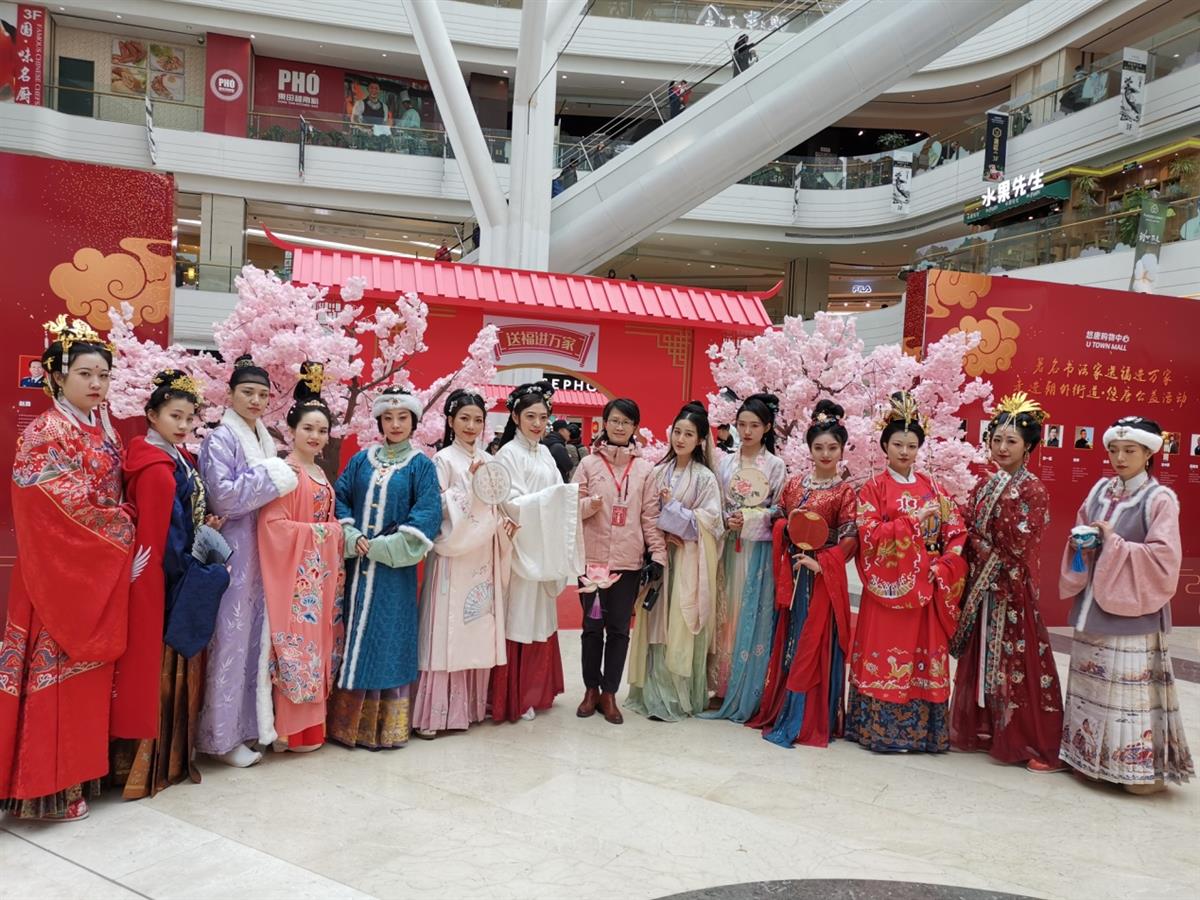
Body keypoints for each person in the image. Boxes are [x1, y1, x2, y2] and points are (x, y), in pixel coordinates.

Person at [0, 318, 133, 821]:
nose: (96, 383)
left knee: (86, 683)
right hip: (55, 570)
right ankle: (44, 789)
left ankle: (78, 777)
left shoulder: (103, 429)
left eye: (103, 375)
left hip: (95, 568)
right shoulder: (45, 431)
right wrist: (122, 523)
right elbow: (48, 503)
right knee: (50, 677)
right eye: (85, 374)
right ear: (57, 376)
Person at [1058, 415, 1194, 792]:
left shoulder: (1158, 499)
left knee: (1127, 696)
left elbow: (1164, 558)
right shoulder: (1100, 491)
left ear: (1148, 453)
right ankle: (1087, 760)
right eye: (1114, 450)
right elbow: (1084, 525)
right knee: (1089, 690)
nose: (1119, 458)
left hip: (1133, 613)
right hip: (1092, 605)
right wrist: (1082, 541)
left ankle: (1134, 773)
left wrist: (1112, 543)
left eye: (1129, 450)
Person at [113, 370, 230, 799]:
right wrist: (188, 573)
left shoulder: (176, 457)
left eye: (189, 418)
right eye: (174, 416)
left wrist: (204, 527)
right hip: (167, 579)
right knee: (160, 669)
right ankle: (151, 761)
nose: (183, 425)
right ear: (151, 415)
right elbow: (163, 537)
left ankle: (166, 758)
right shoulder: (157, 468)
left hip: (175, 569)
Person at [846, 391, 967, 753]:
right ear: (884, 446)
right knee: (886, 652)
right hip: (888, 587)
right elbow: (868, 535)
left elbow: (956, 532)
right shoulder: (873, 488)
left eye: (911, 445)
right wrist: (913, 522)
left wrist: (944, 565)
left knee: (921, 655)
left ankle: (923, 733)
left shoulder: (934, 487)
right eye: (897, 444)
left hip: (926, 584)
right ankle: (878, 731)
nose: (904, 451)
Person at [949, 393, 1063, 771]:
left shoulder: (1033, 489)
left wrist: (978, 539)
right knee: (983, 654)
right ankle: (986, 727)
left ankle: (1027, 737)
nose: (1001, 447)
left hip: (1012, 587)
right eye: (996, 439)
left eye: (1011, 441)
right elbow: (967, 521)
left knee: (1016, 661)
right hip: (984, 584)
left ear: (1028, 446)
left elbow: (1018, 543)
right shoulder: (986, 483)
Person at [195, 355, 298, 768]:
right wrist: (273, 475)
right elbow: (223, 497)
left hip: (263, 552)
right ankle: (220, 739)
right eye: (247, 392)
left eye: (262, 394)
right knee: (231, 643)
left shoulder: (263, 438)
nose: (256, 401)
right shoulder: (220, 439)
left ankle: (249, 727)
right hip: (236, 552)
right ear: (230, 394)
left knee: (256, 641)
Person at [331, 387, 441, 749]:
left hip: (394, 575)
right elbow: (340, 498)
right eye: (388, 418)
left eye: (403, 418)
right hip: (356, 571)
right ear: (379, 421)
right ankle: (345, 727)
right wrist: (351, 535)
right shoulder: (361, 461)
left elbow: (427, 515)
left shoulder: (421, 466)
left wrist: (381, 547)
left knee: (388, 638)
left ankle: (384, 729)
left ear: (414, 421)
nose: (395, 424)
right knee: (353, 635)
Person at [753, 401, 858, 748]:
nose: (825, 454)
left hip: (823, 576)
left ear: (841, 450)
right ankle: (787, 708)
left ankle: (811, 717)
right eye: (819, 447)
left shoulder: (845, 491)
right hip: (794, 570)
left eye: (832, 448)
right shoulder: (795, 483)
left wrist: (823, 562)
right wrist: (786, 526)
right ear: (809, 449)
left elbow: (850, 537)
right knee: (792, 640)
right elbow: (778, 516)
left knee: (816, 641)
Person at [412, 390, 511, 738]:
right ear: (451, 421)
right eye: (464, 418)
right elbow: (435, 507)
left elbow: (498, 503)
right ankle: (436, 714)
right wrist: (468, 486)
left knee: (475, 625)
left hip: (481, 551)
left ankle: (468, 708)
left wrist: (504, 520)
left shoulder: (489, 459)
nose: (471, 426)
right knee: (448, 627)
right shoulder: (442, 460)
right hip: (453, 553)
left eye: (478, 420)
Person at [257, 364, 344, 753]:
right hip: (295, 581)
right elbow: (273, 526)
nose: (315, 436)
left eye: (322, 430)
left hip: (318, 576)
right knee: (297, 648)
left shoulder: (319, 471)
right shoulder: (287, 471)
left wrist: (329, 533)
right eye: (308, 428)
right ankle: (290, 731)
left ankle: (312, 729)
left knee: (318, 646)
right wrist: (326, 533)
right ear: (291, 430)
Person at [491, 381, 585, 722]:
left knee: (541, 617)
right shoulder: (507, 454)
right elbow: (511, 504)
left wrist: (572, 500)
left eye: (543, 417)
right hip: (521, 547)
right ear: (515, 417)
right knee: (520, 616)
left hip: (542, 547)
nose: (537, 423)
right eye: (530, 416)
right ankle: (516, 695)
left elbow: (558, 492)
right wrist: (560, 498)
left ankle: (537, 691)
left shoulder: (545, 452)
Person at [572, 398, 666, 725]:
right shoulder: (588, 464)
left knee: (619, 630)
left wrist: (657, 554)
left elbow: (650, 516)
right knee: (592, 627)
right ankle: (590, 689)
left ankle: (609, 692)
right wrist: (590, 505)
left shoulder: (645, 470)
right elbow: (571, 508)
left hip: (628, 563)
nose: (620, 426)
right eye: (614, 420)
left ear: (635, 427)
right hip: (594, 562)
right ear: (605, 423)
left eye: (626, 422)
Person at [627, 402, 722, 721]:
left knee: (679, 621)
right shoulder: (657, 471)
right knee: (656, 621)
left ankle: (676, 697)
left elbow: (711, 523)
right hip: (659, 556)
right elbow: (644, 514)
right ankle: (652, 692)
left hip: (687, 560)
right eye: (677, 432)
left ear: (701, 440)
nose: (680, 439)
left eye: (689, 434)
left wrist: (673, 510)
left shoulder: (706, 478)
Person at [703, 393, 787, 721]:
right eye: (742, 424)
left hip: (758, 552)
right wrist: (727, 519)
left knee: (750, 611)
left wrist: (750, 518)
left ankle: (750, 686)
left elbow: (779, 510)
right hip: (728, 546)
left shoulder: (775, 466)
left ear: (767, 427)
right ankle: (723, 685)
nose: (747, 431)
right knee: (725, 612)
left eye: (754, 425)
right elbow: (716, 502)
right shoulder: (725, 462)